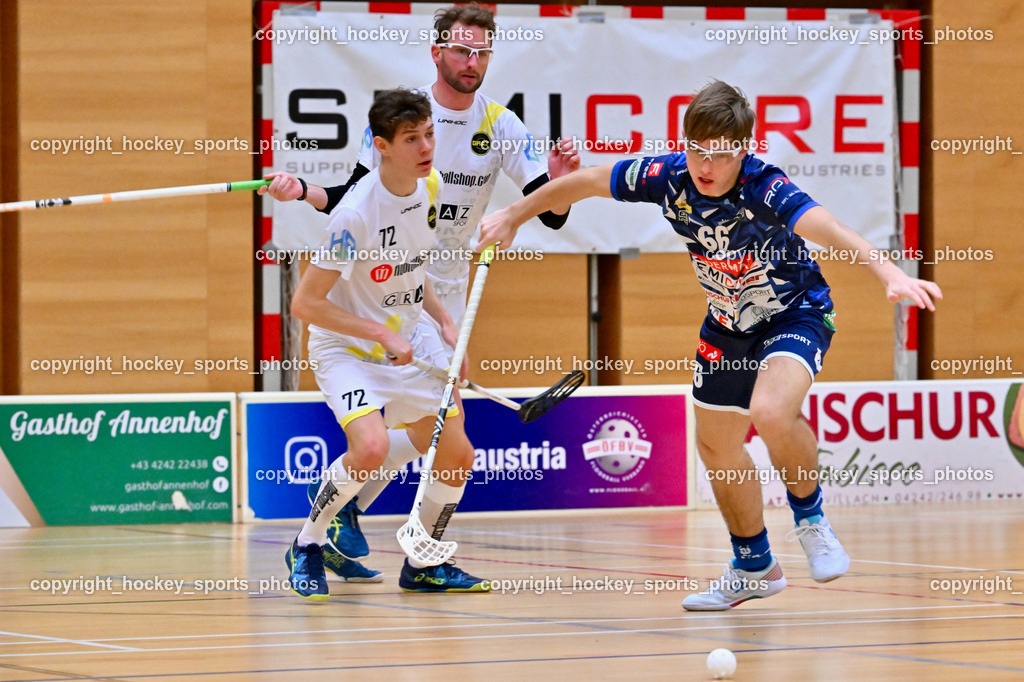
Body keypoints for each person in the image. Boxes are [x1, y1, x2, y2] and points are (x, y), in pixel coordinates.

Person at [476, 80, 942, 611]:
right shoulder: (668, 175)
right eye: (698, 148)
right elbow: (584, 181)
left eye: (721, 154)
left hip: (794, 313)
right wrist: (513, 215)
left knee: (769, 412)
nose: (706, 164)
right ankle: (753, 566)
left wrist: (888, 273)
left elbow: (832, 229)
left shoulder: (766, 188)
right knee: (716, 445)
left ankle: (810, 517)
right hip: (726, 324)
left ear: (743, 148)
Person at [262, 3, 580, 578]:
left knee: (445, 439)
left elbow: (551, 215)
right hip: (379, 298)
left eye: (483, 51)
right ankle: (335, 512)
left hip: (435, 294)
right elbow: (355, 200)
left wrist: (558, 183)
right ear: (437, 52)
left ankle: (403, 543)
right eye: (462, 50)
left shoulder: (499, 125)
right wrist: (303, 187)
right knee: (392, 438)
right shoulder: (403, 120)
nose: (472, 61)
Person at [285, 88, 488, 601]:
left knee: (456, 451)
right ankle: (307, 543)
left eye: (429, 134)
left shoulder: (433, 187)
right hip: (347, 346)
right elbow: (305, 304)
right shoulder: (352, 217)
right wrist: (379, 333)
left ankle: (424, 560)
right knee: (371, 447)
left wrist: (446, 325)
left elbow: (411, 272)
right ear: (381, 146)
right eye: (411, 138)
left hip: (409, 332)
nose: (426, 147)